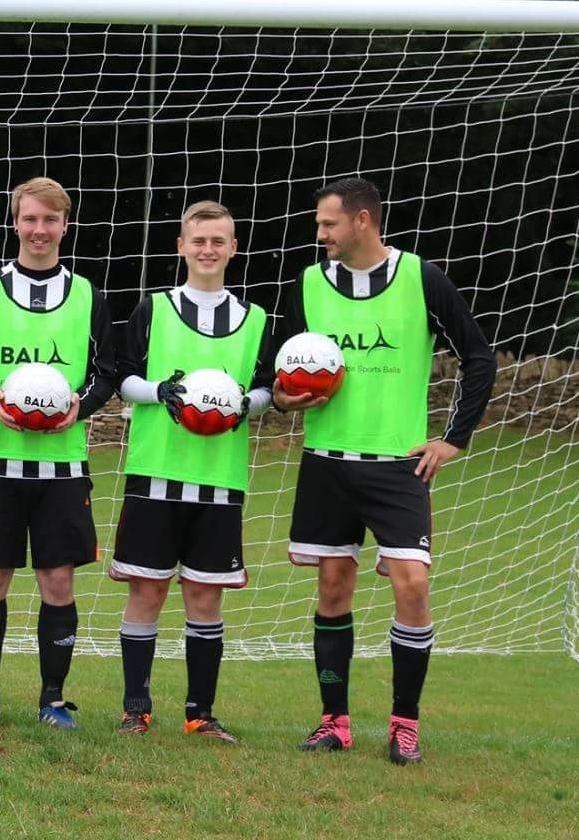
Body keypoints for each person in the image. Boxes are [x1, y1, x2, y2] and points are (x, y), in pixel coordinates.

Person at [277, 176, 493, 764]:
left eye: (328, 224)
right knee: (332, 586)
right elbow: (279, 369)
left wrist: (453, 439)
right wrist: (284, 398)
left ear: (362, 221)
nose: (320, 234)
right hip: (327, 463)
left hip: (399, 466)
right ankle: (334, 722)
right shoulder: (308, 284)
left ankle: (404, 725)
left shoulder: (421, 278)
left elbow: (478, 357)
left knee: (412, 585)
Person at [0, 176, 117, 731]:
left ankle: (53, 700)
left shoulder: (89, 295)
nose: (39, 229)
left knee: (58, 582)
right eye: (30, 219)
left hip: (62, 468)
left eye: (49, 219)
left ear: (64, 225)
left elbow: (106, 372)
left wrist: (81, 406)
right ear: (15, 222)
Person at [110, 200, 272, 742]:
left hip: (219, 479)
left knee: (205, 597)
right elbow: (124, 378)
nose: (208, 250)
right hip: (155, 472)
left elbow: (267, 390)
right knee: (147, 592)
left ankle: (201, 713)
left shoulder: (255, 319)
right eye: (198, 240)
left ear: (233, 248)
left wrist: (242, 404)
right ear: (181, 246)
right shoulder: (153, 309)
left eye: (218, 241)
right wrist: (162, 392)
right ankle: (136, 709)